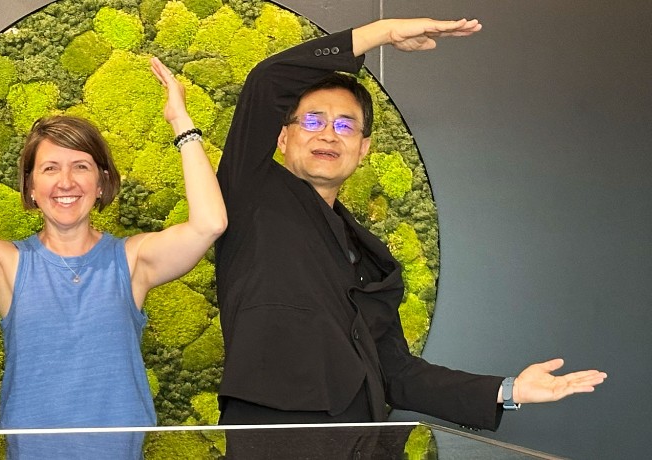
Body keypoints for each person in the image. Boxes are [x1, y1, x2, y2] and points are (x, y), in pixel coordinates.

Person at [213, 18, 607, 429]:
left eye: (346, 126)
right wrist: (381, 32)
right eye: (312, 121)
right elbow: (268, 79)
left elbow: (397, 374)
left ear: (363, 149)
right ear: (282, 138)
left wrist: (509, 391)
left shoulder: (369, 257)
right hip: (269, 432)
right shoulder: (250, 191)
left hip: (361, 438)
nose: (329, 135)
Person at [0, 60, 226, 435]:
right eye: (50, 168)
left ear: (102, 183)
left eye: (81, 167)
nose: (66, 182)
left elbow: (210, 223)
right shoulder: (6, 265)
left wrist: (180, 121)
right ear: (30, 188)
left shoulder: (133, 261)